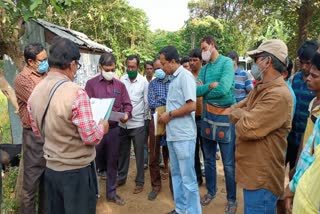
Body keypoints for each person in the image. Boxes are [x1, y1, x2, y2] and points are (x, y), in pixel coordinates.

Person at [28, 37, 109, 214]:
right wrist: (102, 126)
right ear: (72, 64)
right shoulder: (76, 93)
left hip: (51, 171)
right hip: (77, 173)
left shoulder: (35, 93)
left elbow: (37, 131)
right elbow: (91, 137)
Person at [229, 39, 293, 213]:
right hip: (253, 174)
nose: (254, 64)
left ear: (268, 62)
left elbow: (246, 128)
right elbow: (234, 109)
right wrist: (244, 115)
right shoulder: (262, 88)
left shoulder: (279, 95)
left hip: (262, 178)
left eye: (256, 59)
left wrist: (242, 116)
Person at [85, 52, 133, 206]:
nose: (110, 72)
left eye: (112, 69)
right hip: (95, 131)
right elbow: (85, 106)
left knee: (113, 162)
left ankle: (111, 194)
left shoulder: (120, 85)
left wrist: (126, 114)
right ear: (100, 68)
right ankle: (91, 195)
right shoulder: (91, 84)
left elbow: (127, 104)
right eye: (107, 69)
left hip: (113, 131)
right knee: (93, 163)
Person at [196, 35, 237, 213]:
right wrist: (208, 87)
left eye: (205, 48)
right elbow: (196, 90)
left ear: (212, 45)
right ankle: (211, 191)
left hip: (225, 120)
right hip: (207, 119)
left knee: (228, 164)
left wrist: (206, 92)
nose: (203, 52)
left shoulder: (226, 63)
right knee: (209, 159)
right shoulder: (205, 70)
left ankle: (232, 199)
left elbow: (225, 89)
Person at [159, 45, 201, 214]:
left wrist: (169, 115)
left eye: (163, 64)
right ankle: (181, 208)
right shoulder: (173, 79)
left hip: (184, 136)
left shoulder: (185, 77)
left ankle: (193, 211)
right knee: (176, 175)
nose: (162, 67)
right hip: (173, 135)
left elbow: (192, 105)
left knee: (188, 178)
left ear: (172, 61)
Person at [14, 43, 48, 214]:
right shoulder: (22, 79)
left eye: (46, 59)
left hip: (48, 133)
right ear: (30, 61)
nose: (46, 63)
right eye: (42, 60)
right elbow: (40, 101)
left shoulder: (46, 74)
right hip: (33, 136)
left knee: (46, 183)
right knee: (30, 186)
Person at [284, 51, 320, 213]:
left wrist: (295, 182)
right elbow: (308, 142)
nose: (308, 78)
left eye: (314, 76)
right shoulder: (313, 102)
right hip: (295, 141)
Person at [118, 55, 148, 194]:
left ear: (138, 67)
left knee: (139, 153)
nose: (130, 69)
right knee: (123, 153)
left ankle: (140, 181)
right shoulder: (121, 80)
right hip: (122, 125)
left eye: (133, 67)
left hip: (137, 125)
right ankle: (122, 177)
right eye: (128, 67)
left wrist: (141, 117)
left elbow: (146, 103)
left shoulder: (143, 82)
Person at [286, 41, 318, 170]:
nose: (304, 67)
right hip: (289, 137)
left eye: (308, 63)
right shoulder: (295, 79)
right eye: (302, 62)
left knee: (297, 173)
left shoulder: (317, 84)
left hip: (306, 142)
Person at [147, 57, 170, 201]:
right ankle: (156, 185)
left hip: (172, 119)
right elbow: (151, 102)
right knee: (154, 154)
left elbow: (175, 100)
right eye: (156, 69)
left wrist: (163, 104)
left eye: (160, 67)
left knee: (172, 151)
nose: (158, 70)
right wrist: (165, 104)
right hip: (156, 119)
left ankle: (175, 188)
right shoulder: (152, 84)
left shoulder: (174, 81)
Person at [188, 48, 204, 186]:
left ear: (201, 61)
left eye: (195, 60)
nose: (192, 63)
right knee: (193, 151)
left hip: (204, 118)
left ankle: (210, 182)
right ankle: (197, 179)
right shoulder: (187, 76)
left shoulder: (206, 75)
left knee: (206, 151)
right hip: (190, 119)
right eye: (190, 60)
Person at [144, 60, 155, 169]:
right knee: (144, 139)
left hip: (154, 114)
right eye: (147, 68)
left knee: (155, 139)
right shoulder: (142, 81)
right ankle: (144, 161)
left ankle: (158, 159)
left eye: (151, 68)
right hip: (144, 115)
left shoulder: (157, 81)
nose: (149, 70)